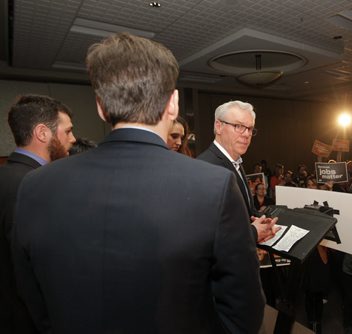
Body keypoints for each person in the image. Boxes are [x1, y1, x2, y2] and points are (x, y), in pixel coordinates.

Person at [11, 33, 264, 334]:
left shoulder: (35, 185)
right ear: (173, 104)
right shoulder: (213, 186)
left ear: (100, 107)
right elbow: (243, 309)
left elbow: (34, 299)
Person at [0, 94, 75, 334]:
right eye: (68, 131)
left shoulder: (6, 176)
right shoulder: (37, 187)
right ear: (43, 133)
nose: (73, 139)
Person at [197, 100, 279, 243]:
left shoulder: (236, 162)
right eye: (239, 126)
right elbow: (206, 231)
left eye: (250, 128)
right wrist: (253, 233)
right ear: (219, 126)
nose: (247, 134)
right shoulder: (205, 167)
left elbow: (243, 212)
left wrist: (261, 221)